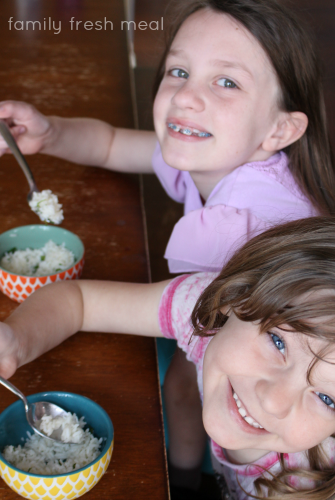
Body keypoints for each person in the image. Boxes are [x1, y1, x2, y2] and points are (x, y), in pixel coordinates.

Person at [0, 0, 334, 495]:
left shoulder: (236, 233)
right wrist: (51, 133)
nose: (187, 97)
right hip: (223, 330)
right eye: (180, 70)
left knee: (179, 378)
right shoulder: (218, 145)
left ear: (281, 130)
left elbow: (195, 352)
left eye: (227, 82)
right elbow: (115, 143)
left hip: (229, 316)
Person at [1, 216, 335, 500]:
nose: (275, 401)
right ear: (235, 298)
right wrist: (16, 341)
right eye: (278, 342)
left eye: (326, 398)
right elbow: (80, 302)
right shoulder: (206, 315)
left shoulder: (309, 484)